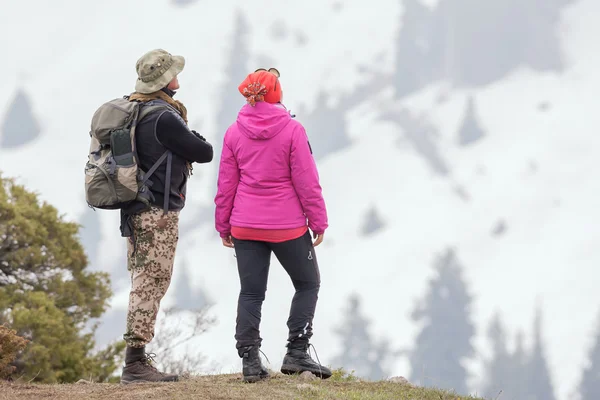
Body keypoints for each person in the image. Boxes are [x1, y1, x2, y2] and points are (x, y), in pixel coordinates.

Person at [214, 68, 332, 383]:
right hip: (287, 227)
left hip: (245, 227)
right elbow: (307, 182)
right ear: (276, 93)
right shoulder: (293, 130)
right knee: (308, 284)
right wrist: (318, 220)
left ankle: (250, 362)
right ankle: (297, 350)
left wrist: (223, 224)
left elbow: (226, 184)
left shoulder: (233, 132)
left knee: (251, 292)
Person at [119, 49, 214, 384]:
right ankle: (135, 364)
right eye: (174, 72)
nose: (178, 77)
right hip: (157, 211)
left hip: (134, 209)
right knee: (151, 282)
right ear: (164, 79)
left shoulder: (135, 108)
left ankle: (137, 358)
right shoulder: (163, 116)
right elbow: (204, 152)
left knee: (142, 279)